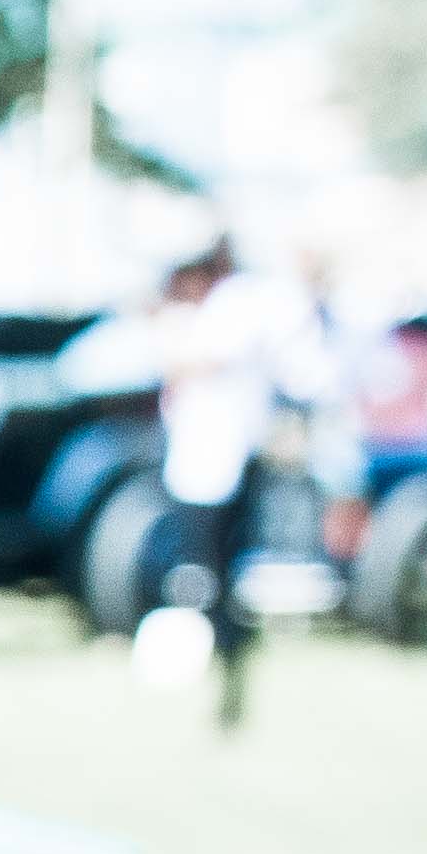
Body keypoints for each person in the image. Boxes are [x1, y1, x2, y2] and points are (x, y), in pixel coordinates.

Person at [141, 241, 286, 731]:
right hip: (198, 466)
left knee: (216, 578)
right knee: (203, 576)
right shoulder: (208, 313)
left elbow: (200, 361)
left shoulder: (236, 305)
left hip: (222, 467)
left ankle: (229, 670)